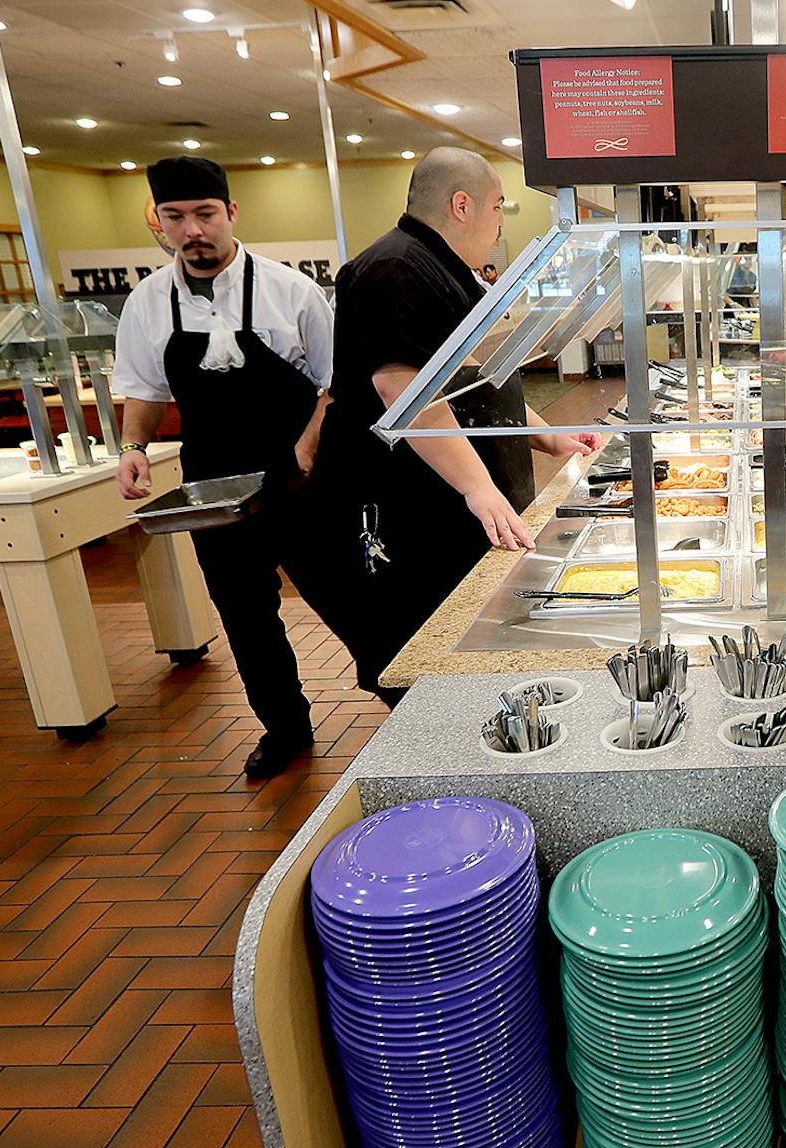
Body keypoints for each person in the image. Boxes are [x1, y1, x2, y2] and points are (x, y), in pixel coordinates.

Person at [318, 147, 601, 695]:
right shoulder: (394, 269)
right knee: (427, 660)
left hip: (454, 504)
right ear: (462, 204)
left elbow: (479, 384)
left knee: (470, 649)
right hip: (414, 510)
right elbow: (403, 390)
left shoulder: (451, 273)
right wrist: (479, 488)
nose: (500, 227)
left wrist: (543, 435)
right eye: (499, 208)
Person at [113, 156, 351, 779]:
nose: (193, 229)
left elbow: (335, 387)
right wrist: (132, 449)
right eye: (176, 217)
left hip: (299, 477)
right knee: (244, 615)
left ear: (230, 214)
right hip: (213, 486)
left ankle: (399, 700)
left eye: (204, 214)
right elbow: (143, 392)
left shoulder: (289, 290)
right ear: (159, 222)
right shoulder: (146, 304)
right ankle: (284, 728)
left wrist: (303, 456)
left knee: (348, 596)